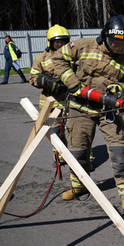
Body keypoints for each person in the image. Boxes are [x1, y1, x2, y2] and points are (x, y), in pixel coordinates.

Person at [53, 15, 124, 210]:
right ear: (105, 36)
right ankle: (79, 186)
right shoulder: (84, 45)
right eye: (114, 42)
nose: (118, 47)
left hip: (108, 110)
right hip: (79, 107)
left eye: (123, 44)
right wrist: (73, 84)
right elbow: (58, 59)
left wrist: (120, 88)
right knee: (78, 150)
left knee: (119, 151)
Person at [29, 25, 70, 168]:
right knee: (55, 132)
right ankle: (60, 156)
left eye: (63, 42)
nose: (60, 45)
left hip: (69, 100)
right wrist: (46, 81)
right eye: (57, 42)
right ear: (51, 42)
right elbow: (33, 77)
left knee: (75, 130)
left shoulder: (73, 56)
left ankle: (82, 159)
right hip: (50, 103)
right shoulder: (41, 58)